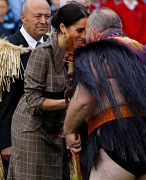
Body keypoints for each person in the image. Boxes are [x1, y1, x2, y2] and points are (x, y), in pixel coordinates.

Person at [63, 7, 146, 180]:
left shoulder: (95, 54)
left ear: (93, 32)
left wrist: (69, 131)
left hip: (117, 143)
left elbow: (84, 101)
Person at [8, 3, 89, 179]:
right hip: (31, 130)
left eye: (86, 31)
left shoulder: (78, 54)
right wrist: (71, 103)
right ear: (62, 28)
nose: (84, 36)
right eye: (80, 30)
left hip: (56, 130)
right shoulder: (42, 53)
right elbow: (33, 101)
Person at [0, 0, 51, 177]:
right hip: (19, 136)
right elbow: (1, 100)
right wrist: (6, 142)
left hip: (49, 135)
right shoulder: (8, 50)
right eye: (37, 16)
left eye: (47, 16)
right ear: (23, 17)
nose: (44, 21)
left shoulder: (52, 45)